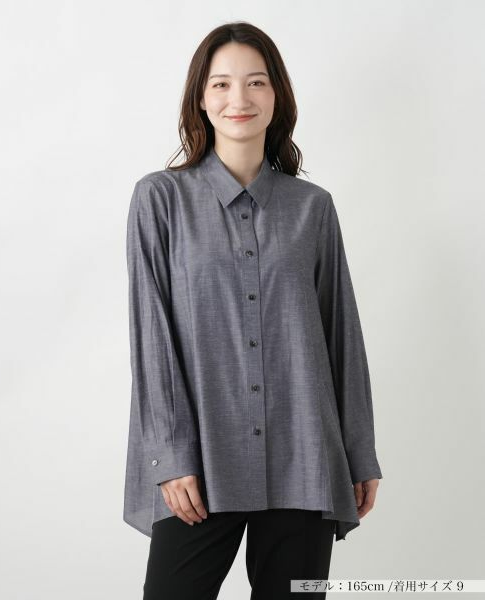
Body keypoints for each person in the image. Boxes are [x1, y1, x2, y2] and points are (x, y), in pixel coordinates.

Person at [124, 21, 383, 600]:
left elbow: (341, 335)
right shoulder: (160, 200)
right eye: (221, 84)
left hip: (304, 454)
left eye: (256, 82)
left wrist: (359, 452)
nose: (238, 98)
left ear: (276, 96)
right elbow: (152, 338)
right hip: (201, 462)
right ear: (201, 98)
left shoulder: (313, 208)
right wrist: (171, 456)